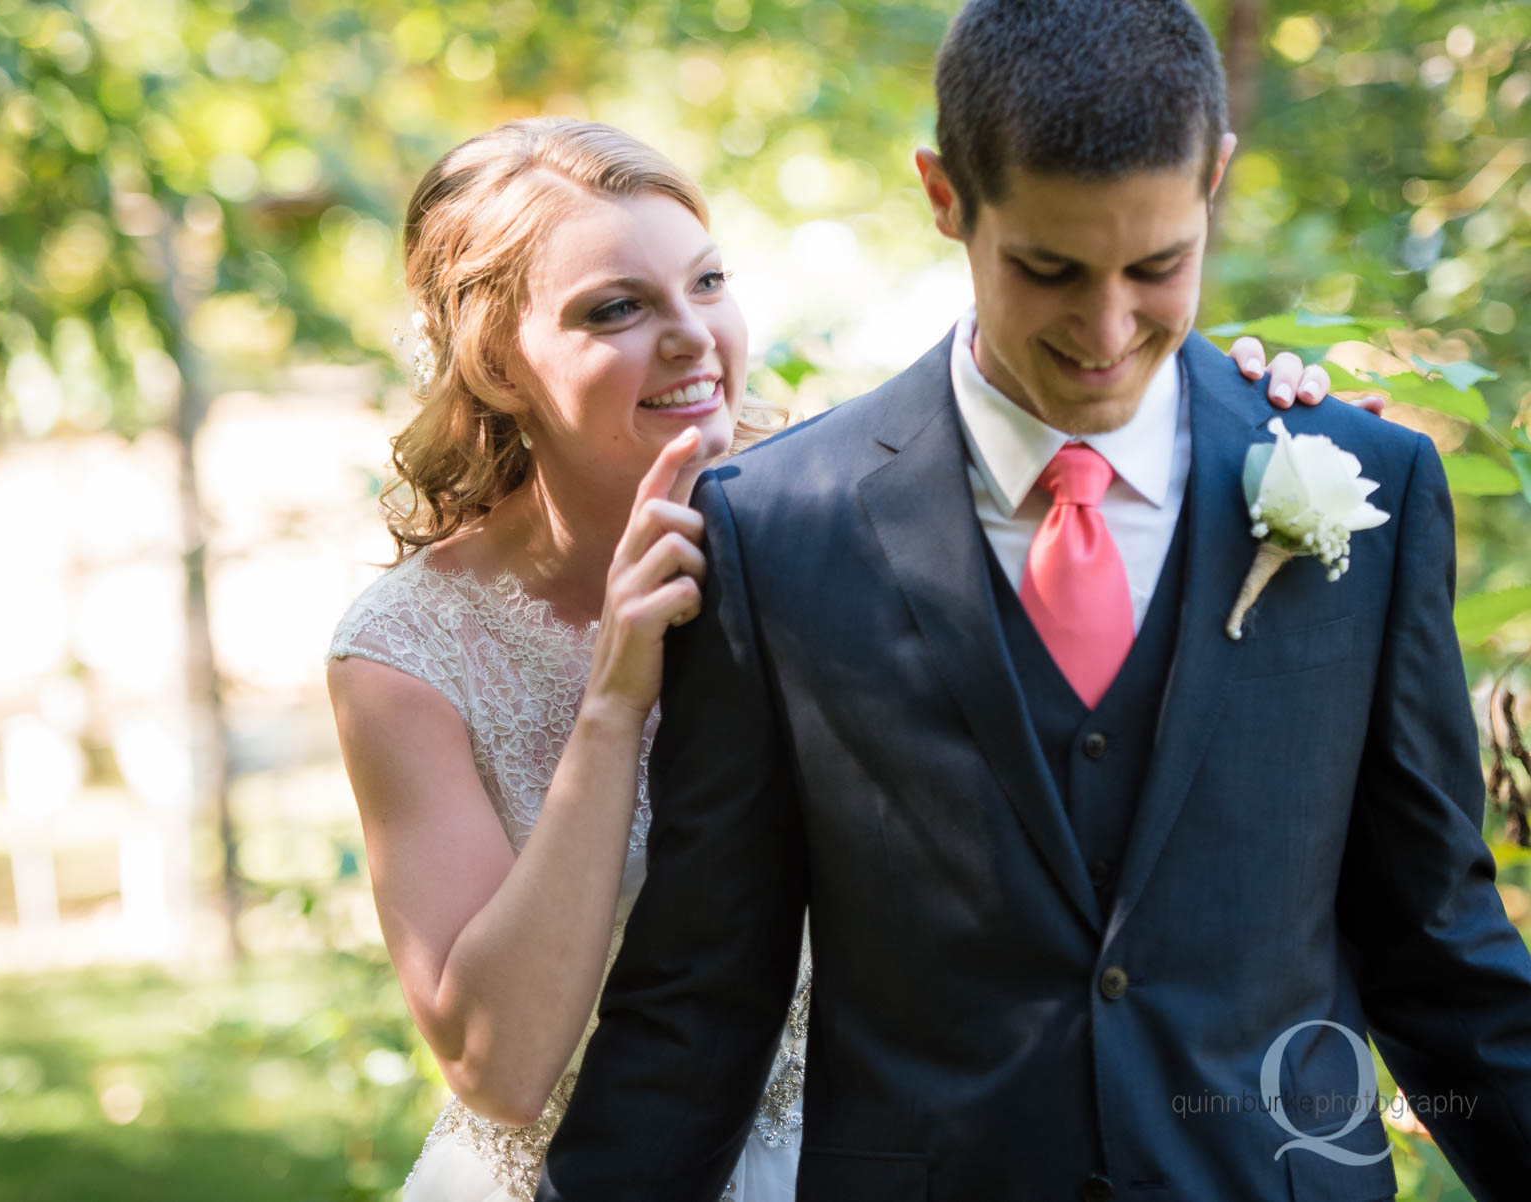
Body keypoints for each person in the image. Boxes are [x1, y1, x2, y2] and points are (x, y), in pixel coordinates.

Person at [534, 4, 1531, 1201]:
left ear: (1213, 179)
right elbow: (703, 993)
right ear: (946, 196)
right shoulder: (775, 529)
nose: (1107, 332)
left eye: (1157, 266)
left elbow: (1438, 950)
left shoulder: (1369, 492)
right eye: (1049, 269)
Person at [326, 118, 1340, 1202]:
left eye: (707, 282)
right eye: (616, 307)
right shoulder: (407, 652)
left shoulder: (843, 518)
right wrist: (614, 704)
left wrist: (1233, 411)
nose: (691, 336)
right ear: (496, 360)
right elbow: (500, 1067)